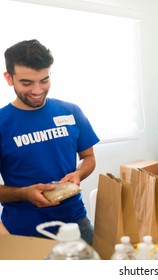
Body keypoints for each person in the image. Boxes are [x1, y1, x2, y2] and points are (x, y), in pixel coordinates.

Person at [0, 39, 99, 244]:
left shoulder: (71, 111)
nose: (37, 90)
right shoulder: (3, 123)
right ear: (9, 78)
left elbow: (88, 157)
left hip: (75, 223)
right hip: (23, 231)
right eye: (27, 83)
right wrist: (25, 193)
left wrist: (78, 174)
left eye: (44, 80)